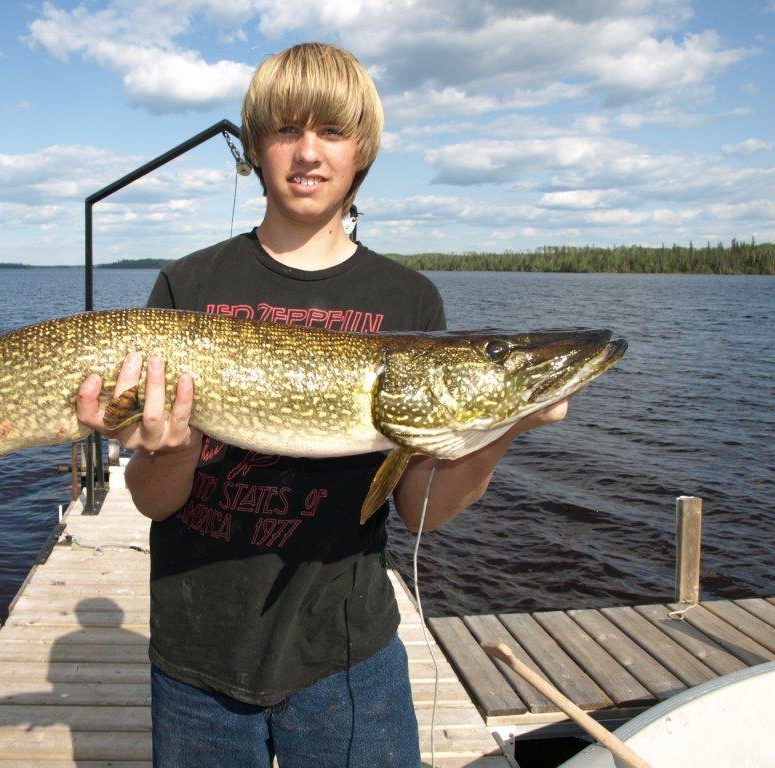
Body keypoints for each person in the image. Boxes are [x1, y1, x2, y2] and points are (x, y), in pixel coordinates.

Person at [77, 42, 567, 768]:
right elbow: (152, 500)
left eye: (332, 132)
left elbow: (420, 510)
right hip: (197, 656)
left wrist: (502, 424)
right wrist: (173, 447)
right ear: (254, 147)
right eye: (285, 130)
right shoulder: (188, 283)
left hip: (346, 656)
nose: (308, 153)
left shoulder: (408, 300)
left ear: (362, 150)